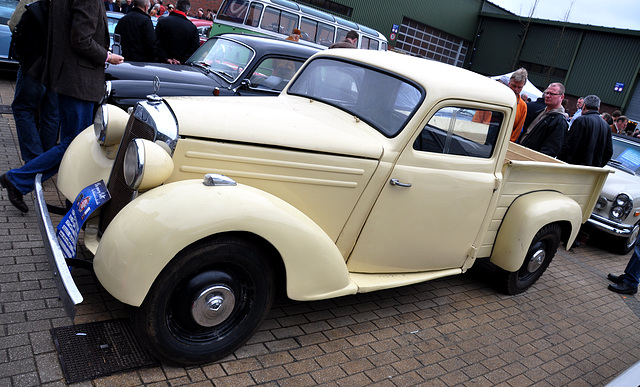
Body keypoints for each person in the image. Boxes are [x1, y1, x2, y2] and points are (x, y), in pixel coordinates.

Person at [1, 0, 124, 213]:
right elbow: (81, 40)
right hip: (79, 80)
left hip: (67, 76)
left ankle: (56, 195)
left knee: (72, 144)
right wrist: (107, 56)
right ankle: (18, 180)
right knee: (73, 145)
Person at [8, 0, 59, 164]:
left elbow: (14, 23)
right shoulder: (68, 5)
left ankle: (34, 161)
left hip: (34, 64)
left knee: (23, 109)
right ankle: (44, 161)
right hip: (57, 67)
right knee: (51, 115)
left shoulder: (32, 1)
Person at [557, 95, 612, 167]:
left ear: (584, 106)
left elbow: (570, 145)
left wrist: (561, 162)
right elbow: (608, 152)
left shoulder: (581, 120)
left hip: (576, 168)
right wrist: (598, 166)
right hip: (593, 171)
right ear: (598, 109)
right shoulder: (606, 126)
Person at [516, 82, 568, 157]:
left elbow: (550, 150)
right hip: (521, 153)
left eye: (552, 94)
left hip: (531, 160)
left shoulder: (559, 121)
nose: (547, 96)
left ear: (561, 97)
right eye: (547, 93)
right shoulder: (540, 112)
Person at [154, 0, 199, 64]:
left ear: (175, 7)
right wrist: (182, 61)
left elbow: (155, 42)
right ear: (187, 11)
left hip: (162, 64)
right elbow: (195, 48)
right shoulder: (192, 28)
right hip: (181, 67)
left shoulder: (163, 22)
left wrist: (165, 58)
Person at [506, 68, 528, 142]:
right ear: (509, 83)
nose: (516, 89)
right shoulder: (498, 97)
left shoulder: (523, 106)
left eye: (519, 87)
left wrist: (509, 142)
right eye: (514, 86)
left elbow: (518, 129)